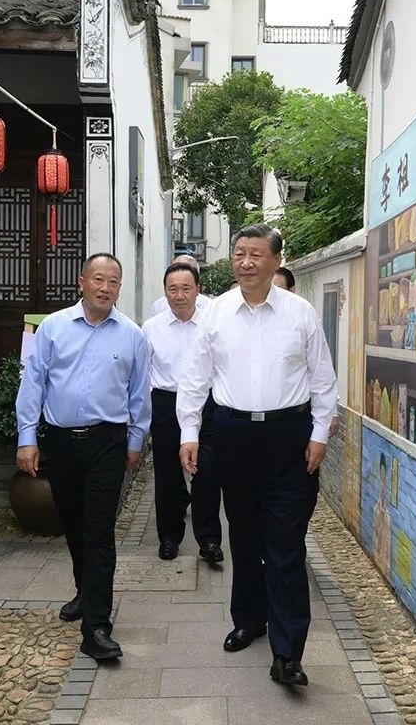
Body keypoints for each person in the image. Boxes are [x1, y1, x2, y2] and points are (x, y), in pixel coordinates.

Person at [177, 223, 337, 687]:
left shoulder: (300, 313)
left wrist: (320, 433)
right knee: (244, 537)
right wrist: (189, 432)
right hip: (234, 436)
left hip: (289, 438)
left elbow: (322, 378)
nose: (246, 262)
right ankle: (249, 619)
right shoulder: (216, 314)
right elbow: (195, 378)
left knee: (286, 544)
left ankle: (288, 653)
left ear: (276, 261)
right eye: (239, 253)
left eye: (256, 254)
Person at [15, 253, 151, 662]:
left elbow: (139, 394)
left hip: (108, 442)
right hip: (61, 441)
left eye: (113, 281)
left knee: (99, 530)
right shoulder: (53, 328)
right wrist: (27, 437)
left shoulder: (132, 335)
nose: (105, 288)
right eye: (98, 279)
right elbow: (33, 383)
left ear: (119, 287)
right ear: (82, 282)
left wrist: (135, 441)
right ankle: (84, 590)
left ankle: (97, 626)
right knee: (73, 524)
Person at [142, 262, 222, 563]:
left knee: (207, 472)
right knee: (167, 473)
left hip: (207, 404)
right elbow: (143, 372)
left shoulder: (212, 323)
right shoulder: (152, 328)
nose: (179, 295)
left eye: (186, 288)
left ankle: (209, 540)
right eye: (172, 289)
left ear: (198, 290)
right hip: (166, 404)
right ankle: (169, 536)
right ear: (165, 292)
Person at [272, 266, 341, 439]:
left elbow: (321, 367)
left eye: (278, 290)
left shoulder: (304, 318)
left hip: (297, 414)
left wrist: (331, 412)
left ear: (292, 290)